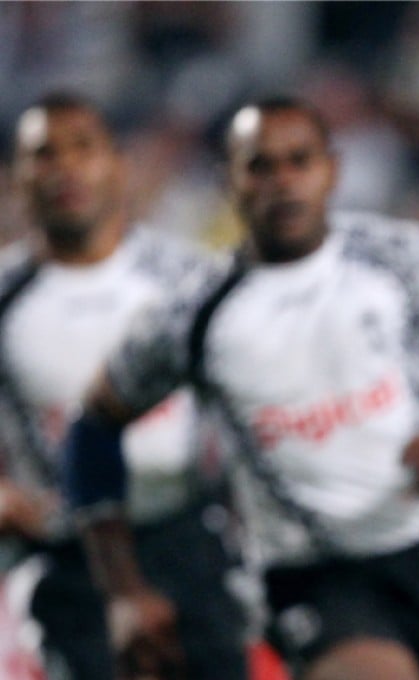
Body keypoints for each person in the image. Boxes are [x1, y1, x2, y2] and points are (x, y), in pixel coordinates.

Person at [60, 95, 419, 680]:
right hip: (313, 577)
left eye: (298, 160)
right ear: (226, 180)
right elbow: (92, 429)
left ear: (331, 169)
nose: (283, 182)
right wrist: (122, 591)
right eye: (260, 165)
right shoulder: (192, 312)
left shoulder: (405, 261)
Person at [0, 92, 247, 680]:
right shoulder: (6, 296)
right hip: (65, 561)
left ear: (119, 164)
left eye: (83, 148)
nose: (65, 167)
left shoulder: (188, 279)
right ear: (17, 176)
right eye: (44, 153)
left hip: (191, 541)